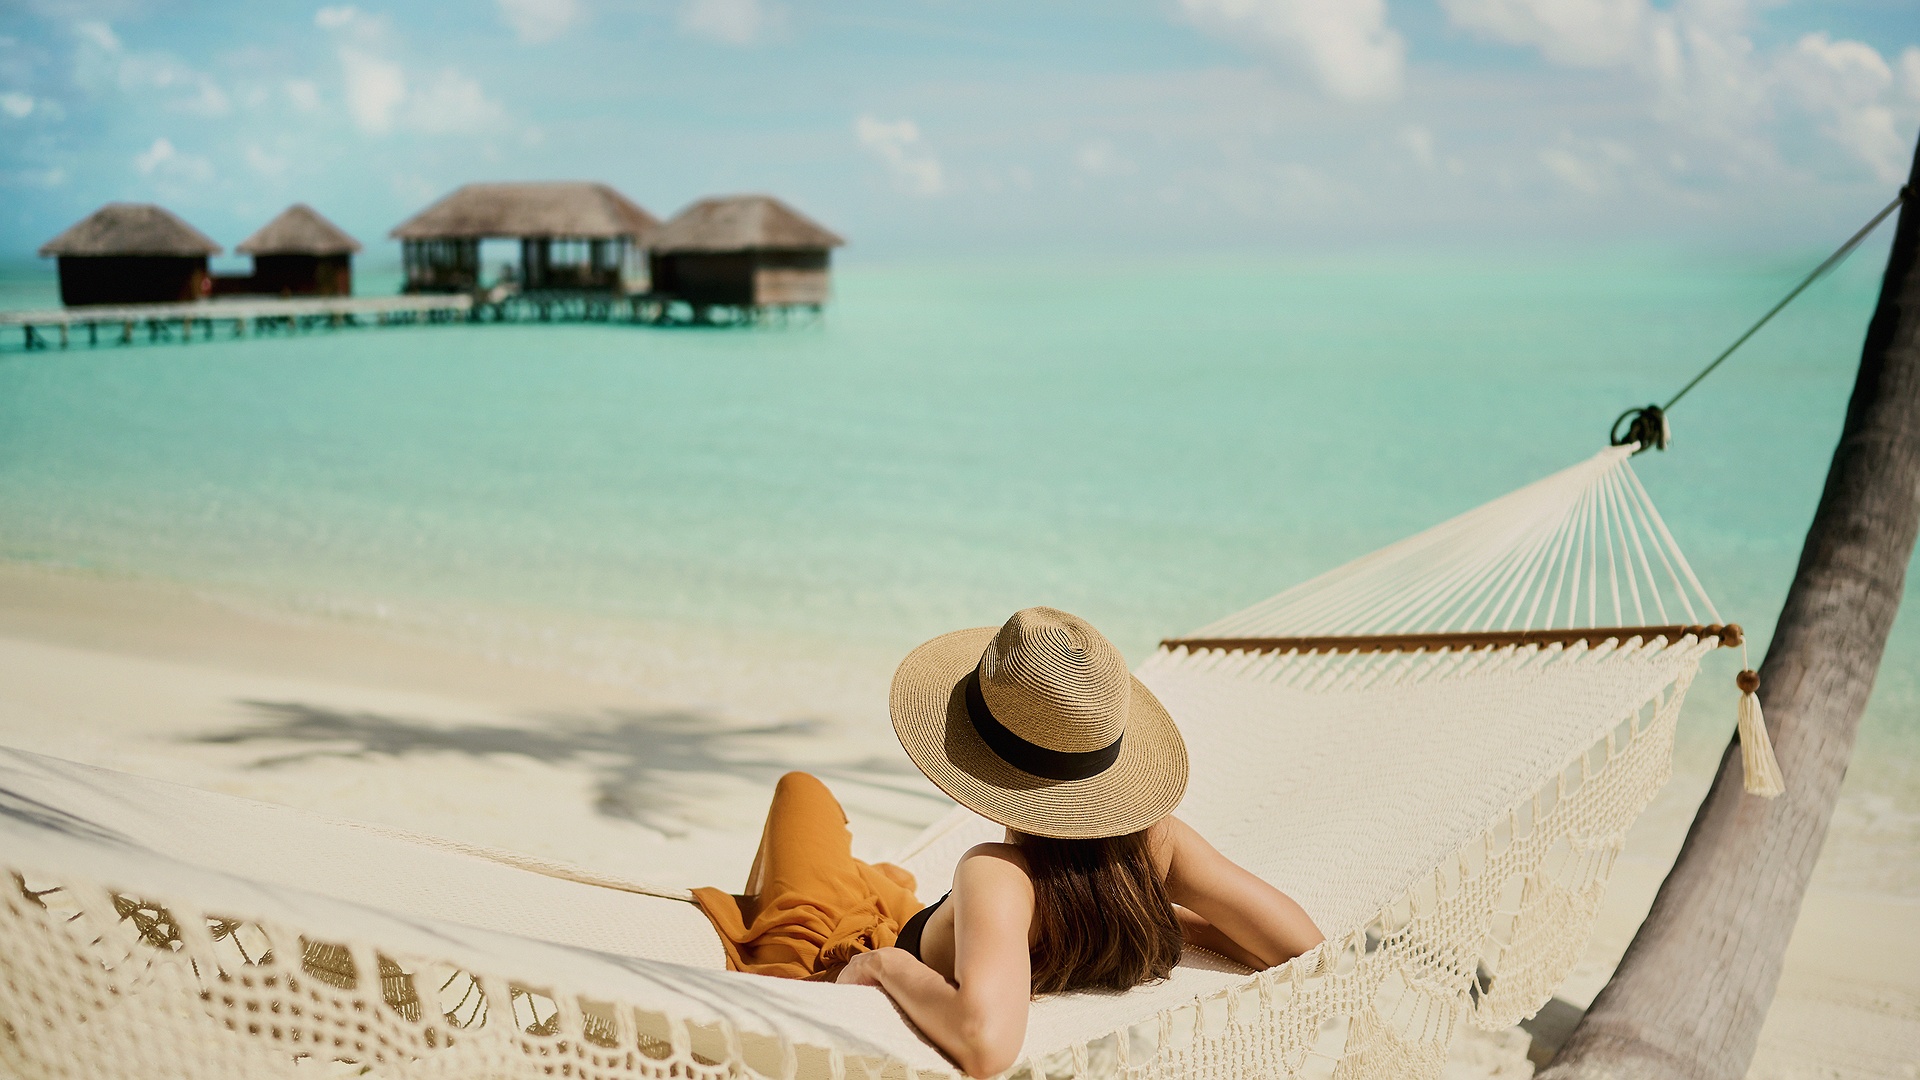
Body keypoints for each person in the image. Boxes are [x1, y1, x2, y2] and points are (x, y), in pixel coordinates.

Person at [692, 607, 1323, 1078]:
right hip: (916, 919)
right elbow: (1302, 947)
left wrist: (883, 964)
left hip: (842, 951)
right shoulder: (1156, 848)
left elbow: (985, 1045)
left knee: (800, 791)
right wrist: (1155, 920)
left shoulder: (997, 873)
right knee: (871, 874)